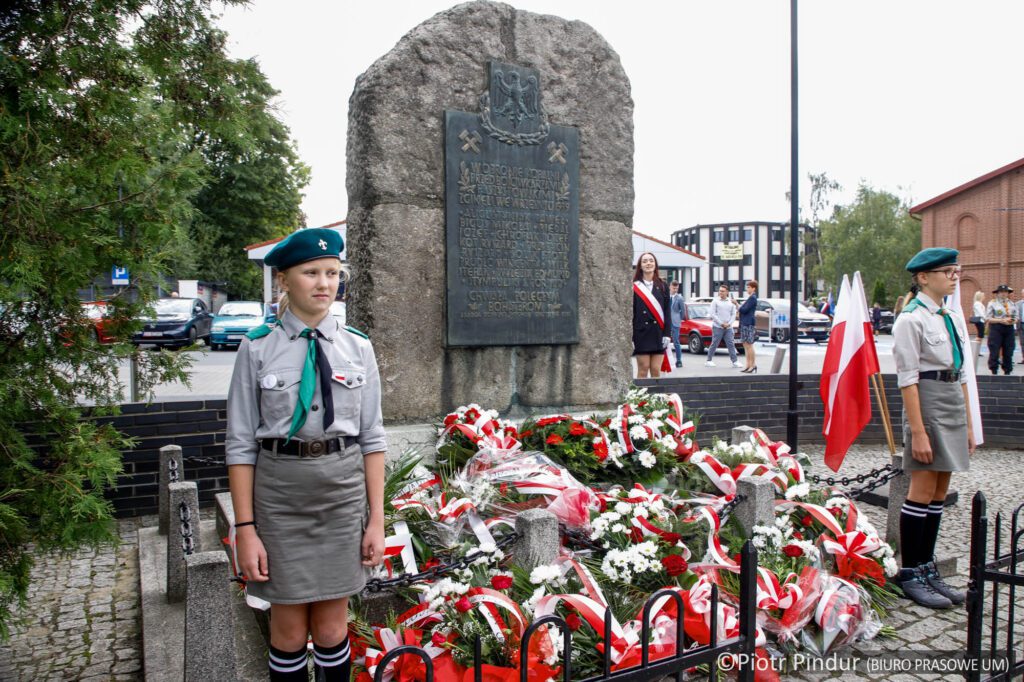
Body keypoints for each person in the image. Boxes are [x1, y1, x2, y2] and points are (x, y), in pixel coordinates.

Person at [226, 227, 387, 681]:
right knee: (290, 630)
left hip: (340, 495)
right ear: (284, 280)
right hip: (280, 498)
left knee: (334, 627)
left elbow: (372, 438)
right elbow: (240, 444)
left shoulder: (358, 346)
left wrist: (375, 521)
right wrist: (246, 530)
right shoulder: (257, 348)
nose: (323, 283)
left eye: (332, 273)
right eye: (311, 272)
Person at [892, 247, 975, 609]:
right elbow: (908, 379)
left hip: (950, 398)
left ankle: (927, 566)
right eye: (947, 271)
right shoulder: (911, 319)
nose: (954, 276)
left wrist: (970, 424)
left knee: (941, 487)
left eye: (956, 271)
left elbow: (963, 373)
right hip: (927, 401)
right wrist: (919, 430)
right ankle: (910, 572)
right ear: (924, 277)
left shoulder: (950, 316)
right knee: (923, 486)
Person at [632, 252, 671, 379]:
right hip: (641, 333)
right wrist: (631, 337)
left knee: (655, 370)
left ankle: (656, 398)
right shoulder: (634, 286)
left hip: (658, 333)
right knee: (643, 369)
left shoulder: (663, 286)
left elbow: (667, 312)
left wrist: (667, 334)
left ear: (655, 264)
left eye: (651, 260)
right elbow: (631, 313)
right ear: (640, 266)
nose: (648, 263)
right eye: (645, 261)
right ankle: (640, 399)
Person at [705, 285, 741, 368]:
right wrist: (721, 323)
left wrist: (729, 323)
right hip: (718, 326)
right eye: (720, 291)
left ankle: (735, 361)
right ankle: (709, 360)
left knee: (731, 344)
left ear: (727, 292)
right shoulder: (715, 301)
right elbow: (713, 314)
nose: (720, 292)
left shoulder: (730, 302)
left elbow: (733, 314)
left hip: (728, 327)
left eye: (723, 291)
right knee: (714, 343)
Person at [986, 284, 1018, 375]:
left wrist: (1013, 321)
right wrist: (1001, 320)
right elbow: (988, 318)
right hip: (996, 328)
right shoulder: (992, 303)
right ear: (997, 293)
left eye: (1006, 292)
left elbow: (1016, 317)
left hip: (1009, 328)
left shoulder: (1012, 304)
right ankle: (994, 370)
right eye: (1001, 292)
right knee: (994, 349)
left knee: (1009, 350)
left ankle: (1007, 370)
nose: (1004, 294)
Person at [738, 280, 758, 373]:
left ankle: (752, 365)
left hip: (748, 323)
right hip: (744, 323)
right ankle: (748, 365)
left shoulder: (753, 298)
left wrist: (737, 305)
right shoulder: (750, 298)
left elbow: (744, 310)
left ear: (754, 288)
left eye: (749, 287)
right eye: (747, 287)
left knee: (749, 344)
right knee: (745, 344)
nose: (747, 289)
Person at [669, 280, 685, 369]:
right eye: (673, 288)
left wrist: (679, 319)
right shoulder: (666, 296)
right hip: (666, 321)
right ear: (670, 287)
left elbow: (683, 311)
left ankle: (679, 360)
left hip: (675, 322)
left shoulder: (679, 298)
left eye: (676, 288)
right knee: (664, 341)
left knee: (676, 341)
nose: (675, 290)